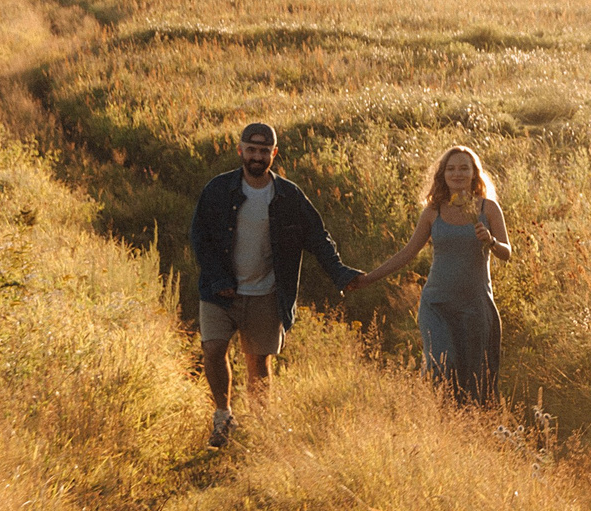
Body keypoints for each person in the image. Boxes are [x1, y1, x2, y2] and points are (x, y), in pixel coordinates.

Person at [189, 121, 364, 448]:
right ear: (240, 150)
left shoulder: (289, 196)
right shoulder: (218, 189)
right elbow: (200, 237)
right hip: (220, 291)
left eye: (264, 151)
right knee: (213, 349)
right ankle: (223, 416)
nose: (257, 156)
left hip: (266, 292)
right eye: (251, 150)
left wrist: (340, 273)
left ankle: (260, 427)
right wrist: (218, 278)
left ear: (274, 153)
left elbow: (318, 238)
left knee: (259, 363)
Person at [350, 144, 511, 402]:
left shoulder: (488, 209)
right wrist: (368, 279)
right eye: (451, 169)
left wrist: (490, 241)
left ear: (474, 174)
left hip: (475, 305)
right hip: (437, 304)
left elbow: (507, 252)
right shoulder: (433, 212)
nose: (457, 174)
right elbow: (407, 253)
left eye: (464, 168)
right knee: (441, 364)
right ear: (442, 174)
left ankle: (465, 421)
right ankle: (432, 412)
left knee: (476, 378)